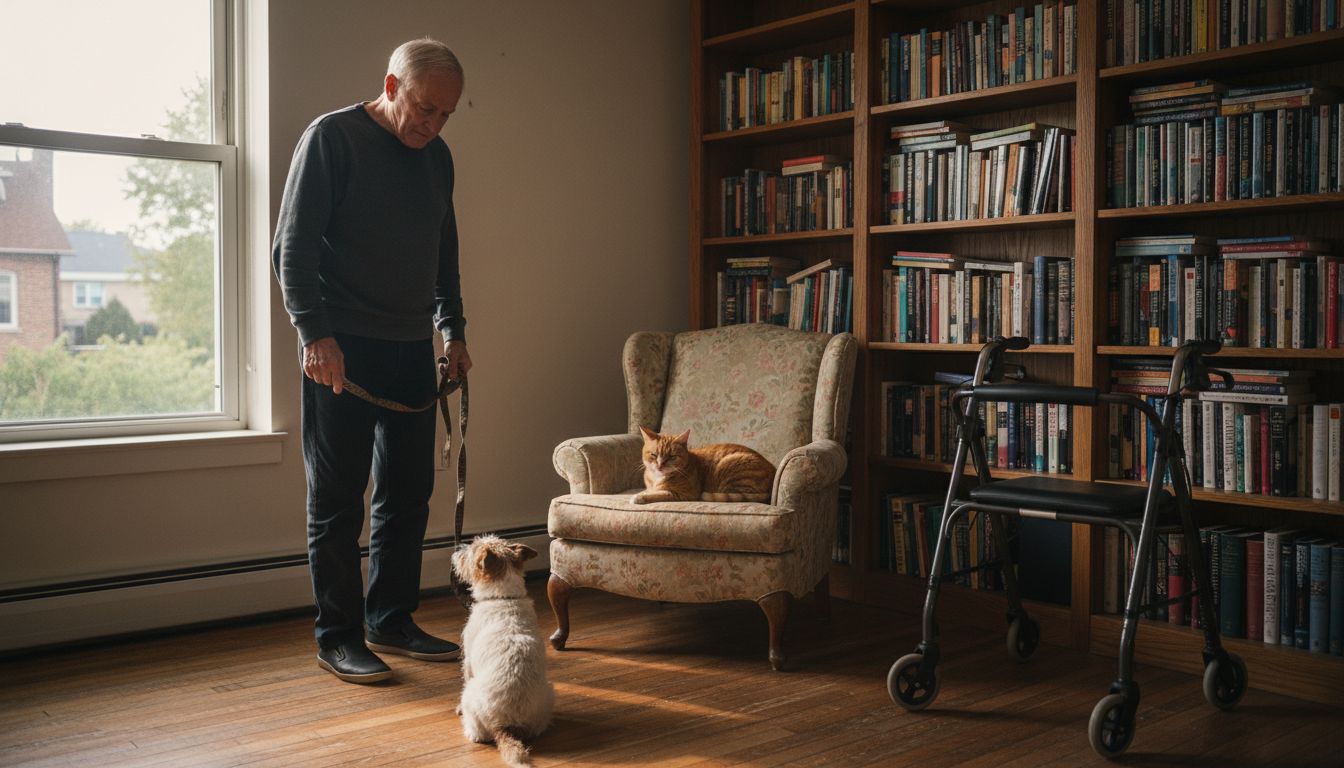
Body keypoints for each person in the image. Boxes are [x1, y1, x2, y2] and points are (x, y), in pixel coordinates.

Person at [272, 38, 472, 684]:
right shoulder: (331, 139)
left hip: (411, 346)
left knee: (408, 496)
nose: (432, 124)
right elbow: (292, 249)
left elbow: (444, 255)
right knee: (336, 502)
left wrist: (453, 331)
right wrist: (313, 333)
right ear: (391, 87)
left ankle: (392, 617)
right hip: (340, 349)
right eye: (423, 108)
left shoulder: (437, 159)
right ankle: (338, 637)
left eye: (446, 114)